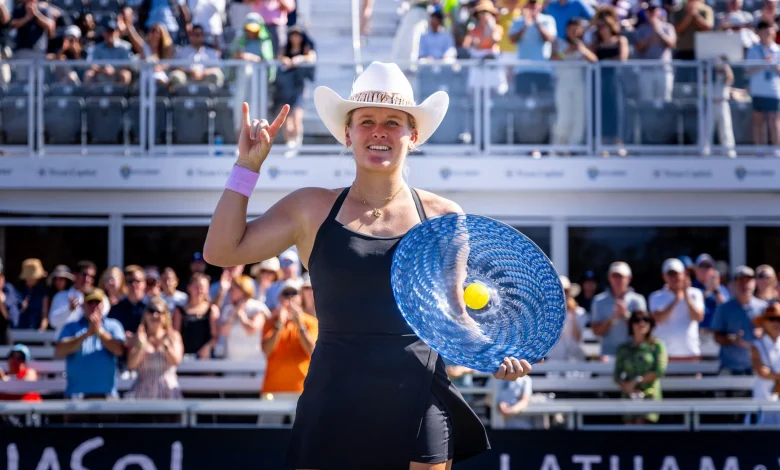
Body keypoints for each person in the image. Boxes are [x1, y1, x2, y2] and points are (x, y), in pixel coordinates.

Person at [203, 61, 532, 469]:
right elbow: (220, 252)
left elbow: (455, 315)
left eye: (394, 122)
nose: (379, 131)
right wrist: (246, 168)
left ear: (413, 136)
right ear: (347, 134)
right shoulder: (310, 206)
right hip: (333, 398)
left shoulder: (445, 216)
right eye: (367, 121)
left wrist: (492, 354)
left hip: (420, 398)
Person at [613, 310, 668, 424]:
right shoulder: (624, 348)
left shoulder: (657, 346)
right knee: (629, 427)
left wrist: (636, 382)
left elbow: (659, 370)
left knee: (642, 424)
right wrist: (630, 389)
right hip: (629, 393)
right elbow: (617, 375)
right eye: (637, 321)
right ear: (631, 325)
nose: (641, 324)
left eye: (646, 320)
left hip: (649, 393)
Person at [125, 296, 184, 399]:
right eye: (151, 311)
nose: (155, 315)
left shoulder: (173, 336)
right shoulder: (139, 336)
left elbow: (176, 361)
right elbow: (131, 365)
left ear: (165, 316)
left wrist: (165, 345)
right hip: (142, 391)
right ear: (145, 315)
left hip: (168, 390)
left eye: (159, 312)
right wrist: (140, 345)